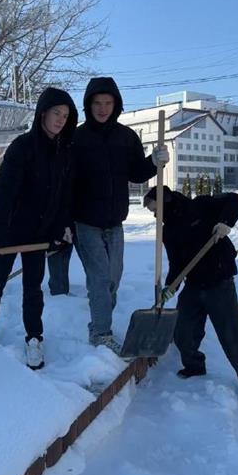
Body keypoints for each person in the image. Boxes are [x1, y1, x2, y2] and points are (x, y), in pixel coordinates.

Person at [0, 87, 77, 369]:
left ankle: (34, 338)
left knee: (33, 289)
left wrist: (60, 231)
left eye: (66, 115)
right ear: (43, 113)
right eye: (56, 113)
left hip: (38, 236)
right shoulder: (21, 147)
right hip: (8, 233)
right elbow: (4, 195)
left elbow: (63, 198)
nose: (61, 120)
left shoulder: (63, 153)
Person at [143, 185, 238, 407]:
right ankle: (194, 365)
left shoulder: (200, 205)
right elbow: (177, 263)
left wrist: (225, 223)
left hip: (219, 282)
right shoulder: (168, 231)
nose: (154, 215)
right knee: (182, 330)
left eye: (155, 210)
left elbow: (235, 199)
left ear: (165, 201)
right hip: (193, 284)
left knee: (232, 335)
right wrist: (171, 286)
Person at [71, 76, 169, 353]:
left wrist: (154, 162)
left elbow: (136, 173)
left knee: (113, 278)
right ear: (88, 105)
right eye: (97, 103)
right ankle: (100, 332)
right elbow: (66, 182)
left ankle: (100, 315)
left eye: (108, 103)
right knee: (100, 279)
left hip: (115, 222)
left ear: (116, 105)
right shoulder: (77, 138)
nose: (102, 108)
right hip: (85, 221)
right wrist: (63, 222)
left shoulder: (126, 137)